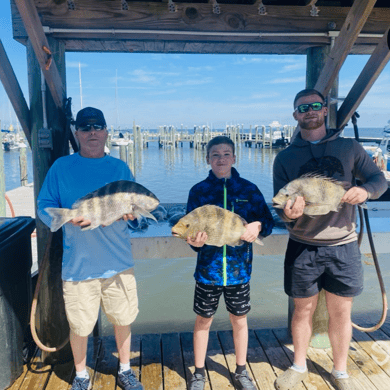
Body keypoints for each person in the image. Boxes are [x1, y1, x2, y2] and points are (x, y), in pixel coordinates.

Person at [273, 89, 387, 390]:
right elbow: (279, 209)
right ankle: (298, 365)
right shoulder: (284, 158)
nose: (309, 111)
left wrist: (365, 192)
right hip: (302, 247)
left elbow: (379, 179)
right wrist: (290, 213)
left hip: (343, 246)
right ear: (296, 115)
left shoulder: (350, 147)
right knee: (302, 310)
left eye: (314, 106)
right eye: (302, 108)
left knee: (341, 313)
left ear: (324, 111)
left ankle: (340, 372)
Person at [37, 107, 144, 390]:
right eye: (86, 128)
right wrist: (69, 219)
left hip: (119, 262)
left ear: (107, 132)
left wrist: (132, 213)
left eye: (98, 127)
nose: (92, 132)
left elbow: (133, 205)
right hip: (78, 266)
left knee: (123, 320)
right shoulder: (61, 167)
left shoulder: (120, 168)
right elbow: (43, 205)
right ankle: (82, 375)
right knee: (80, 326)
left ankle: (125, 369)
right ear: (77, 133)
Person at [185, 136, 274, 390]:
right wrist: (196, 243)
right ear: (207, 159)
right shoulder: (198, 191)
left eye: (226, 154)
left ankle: (241, 370)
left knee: (240, 320)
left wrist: (256, 225)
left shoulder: (249, 189)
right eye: (215, 154)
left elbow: (267, 222)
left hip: (239, 272)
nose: (221, 159)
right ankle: (199, 372)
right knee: (203, 320)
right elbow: (190, 233)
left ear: (234, 158)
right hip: (207, 272)